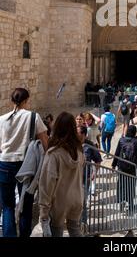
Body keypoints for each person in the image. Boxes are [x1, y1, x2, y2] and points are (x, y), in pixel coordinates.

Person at [0, 88, 48, 237]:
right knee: (26, 205)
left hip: (4, 163)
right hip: (26, 165)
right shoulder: (33, 116)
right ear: (27, 100)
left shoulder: (1, 119)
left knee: (7, 206)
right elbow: (45, 142)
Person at [38, 112, 84, 237]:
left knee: (56, 231)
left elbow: (47, 183)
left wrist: (44, 211)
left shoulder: (54, 154)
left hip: (59, 202)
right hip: (77, 198)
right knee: (75, 230)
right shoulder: (79, 151)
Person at [112, 125, 137, 213]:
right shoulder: (136, 142)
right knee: (131, 185)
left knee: (121, 185)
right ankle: (130, 204)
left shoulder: (121, 140)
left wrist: (113, 165)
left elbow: (117, 153)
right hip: (132, 167)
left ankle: (121, 201)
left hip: (121, 167)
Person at [77, 125, 102, 226]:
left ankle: (83, 223)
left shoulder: (90, 145)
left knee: (82, 202)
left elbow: (98, 160)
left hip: (84, 179)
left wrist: (94, 172)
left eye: (77, 132)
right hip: (72, 179)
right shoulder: (71, 144)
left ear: (83, 134)